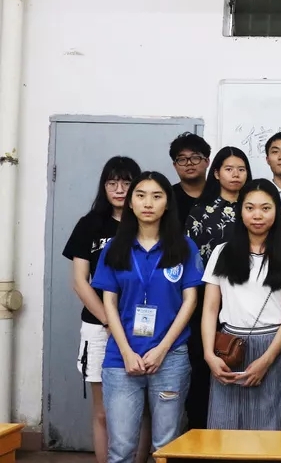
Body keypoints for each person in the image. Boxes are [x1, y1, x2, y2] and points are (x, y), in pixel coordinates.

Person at [91, 172, 202, 463]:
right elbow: (109, 303)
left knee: (166, 447)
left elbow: (190, 301)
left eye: (156, 196)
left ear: (167, 203)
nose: (148, 203)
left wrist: (162, 349)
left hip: (171, 357)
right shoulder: (114, 248)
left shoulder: (184, 247)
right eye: (140, 196)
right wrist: (127, 352)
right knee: (121, 450)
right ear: (130, 203)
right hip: (121, 358)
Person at [201, 180, 281, 430]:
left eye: (265, 208)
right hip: (228, 349)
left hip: (273, 347)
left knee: (270, 430)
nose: (257, 215)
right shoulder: (221, 252)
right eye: (250, 208)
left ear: (276, 211)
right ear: (240, 211)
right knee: (226, 429)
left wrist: (266, 360)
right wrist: (208, 355)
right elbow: (210, 309)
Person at [62, 157, 147, 463]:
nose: (119, 189)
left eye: (126, 182)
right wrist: (109, 322)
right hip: (99, 327)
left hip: (140, 326)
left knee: (141, 409)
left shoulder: (147, 223)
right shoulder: (90, 225)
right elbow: (80, 282)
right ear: (104, 186)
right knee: (103, 411)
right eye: (112, 183)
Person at [183, 146, 251, 432]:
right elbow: (190, 259)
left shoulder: (253, 209)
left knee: (242, 365)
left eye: (241, 169)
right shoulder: (201, 212)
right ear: (216, 173)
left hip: (247, 300)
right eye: (229, 169)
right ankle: (201, 432)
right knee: (203, 369)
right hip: (206, 300)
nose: (235, 175)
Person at [169, 133, 211, 222]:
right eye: (182, 159)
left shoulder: (221, 193)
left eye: (195, 158)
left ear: (207, 161)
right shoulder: (168, 196)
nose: (189, 163)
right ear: (175, 165)